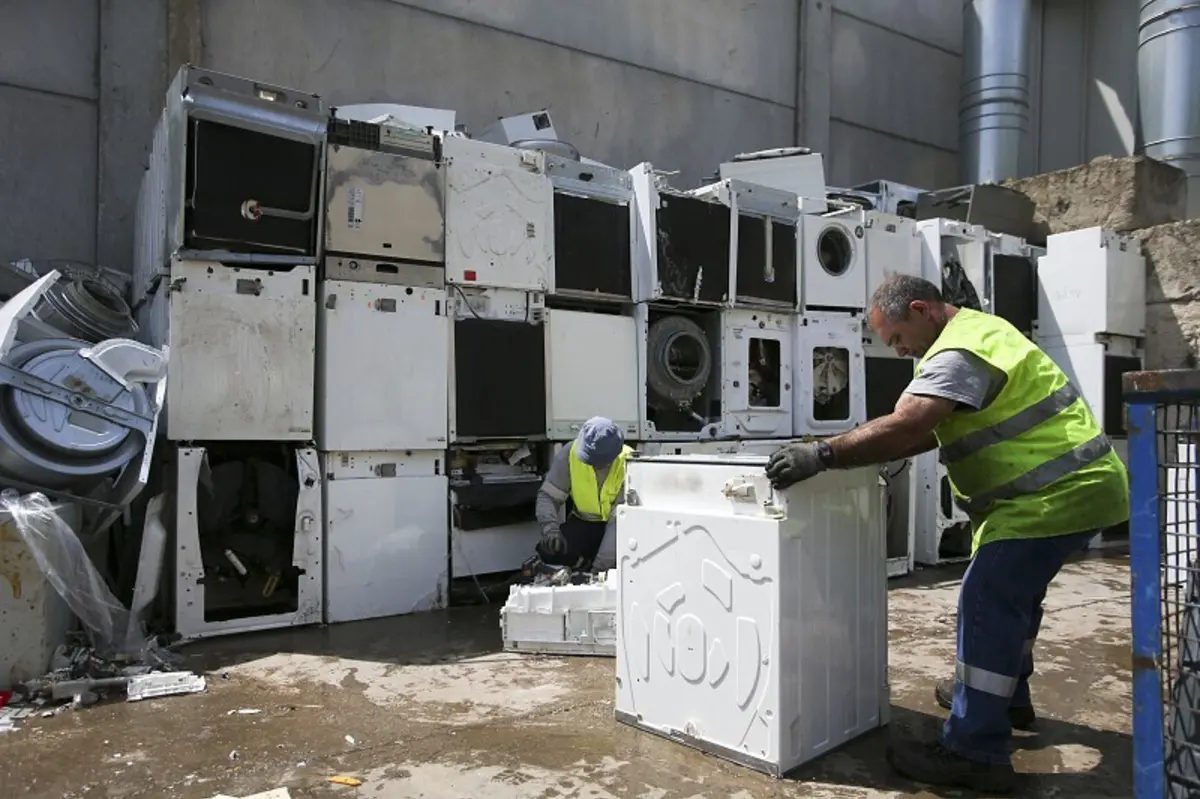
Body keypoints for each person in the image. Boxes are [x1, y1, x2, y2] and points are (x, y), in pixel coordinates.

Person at [765, 274, 1129, 793]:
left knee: (987, 599)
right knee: (1016, 599)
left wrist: (824, 454)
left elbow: (911, 423)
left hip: (1050, 497)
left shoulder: (958, 351)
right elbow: (929, 431)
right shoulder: (984, 331)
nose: (900, 350)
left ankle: (974, 749)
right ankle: (1007, 698)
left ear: (922, 310)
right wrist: (864, 450)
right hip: (1076, 490)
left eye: (896, 338)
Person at [534, 416, 631, 572]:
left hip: (614, 528)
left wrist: (599, 571)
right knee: (548, 551)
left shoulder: (629, 463)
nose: (592, 466)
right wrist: (550, 529)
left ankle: (588, 567)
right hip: (583, 523)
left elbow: (618, 525)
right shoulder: (569, 453)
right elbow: (548, 496)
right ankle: (582, 564)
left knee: (617, 562)